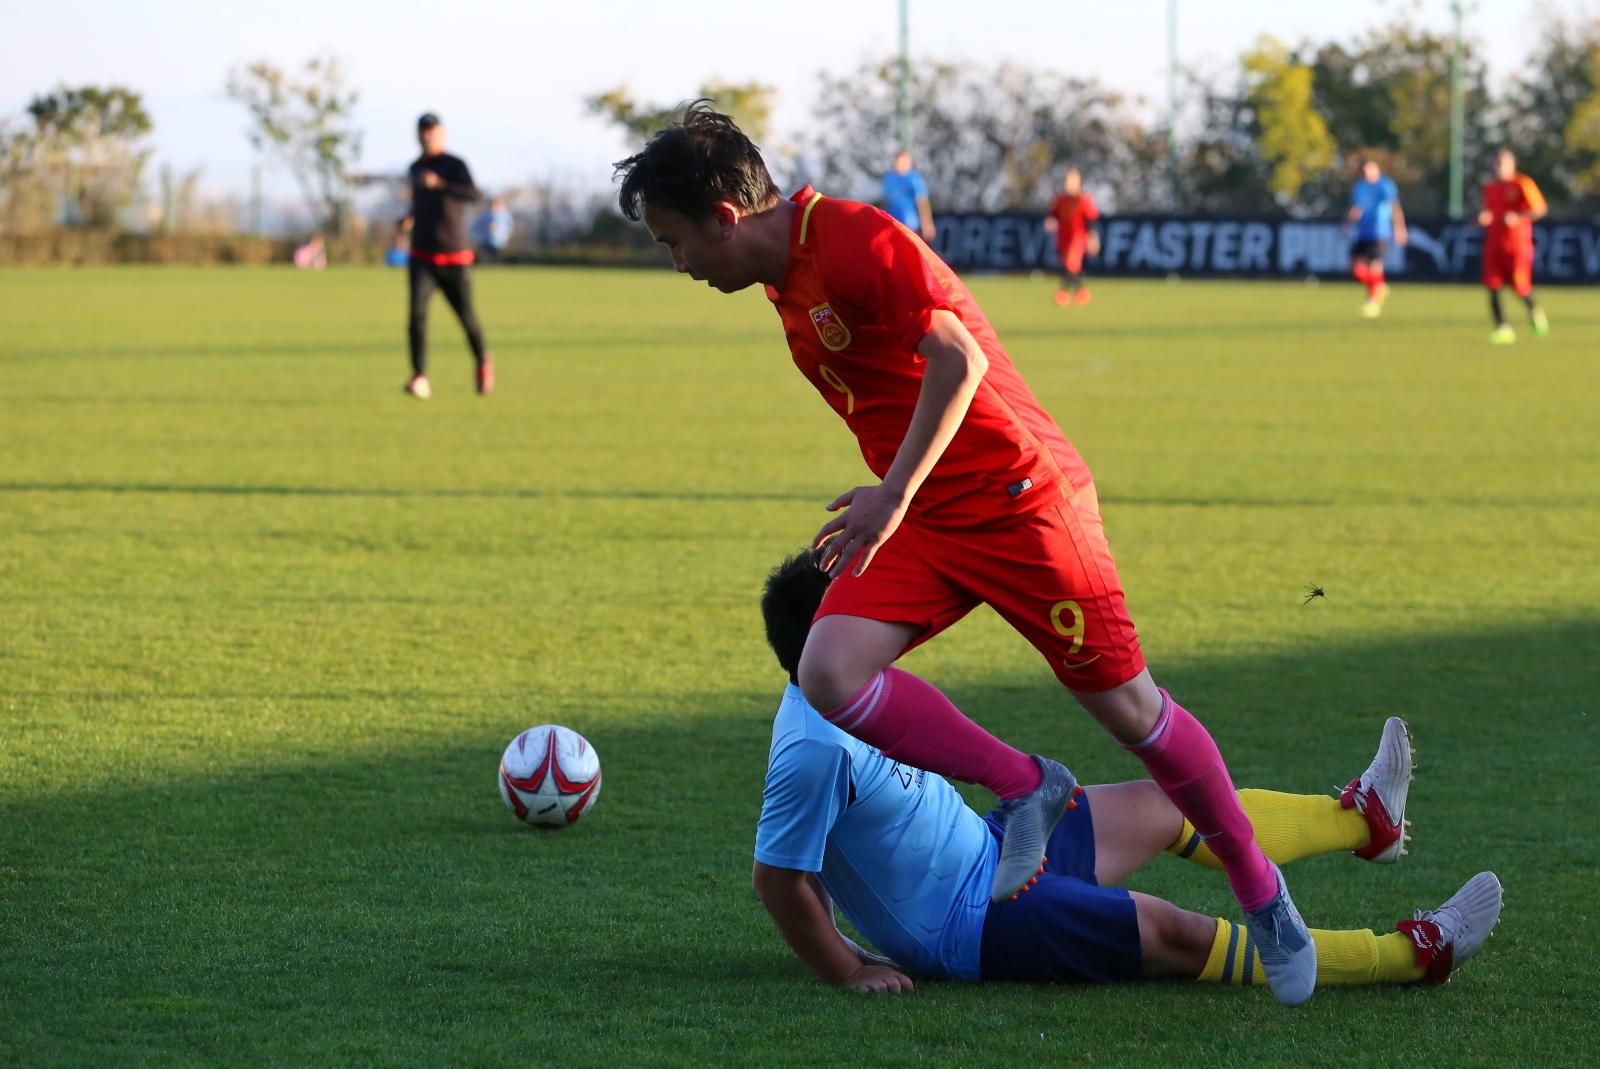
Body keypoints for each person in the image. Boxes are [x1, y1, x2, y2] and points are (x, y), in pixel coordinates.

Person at [616, 104, 1322, 1006]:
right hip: (934, 523)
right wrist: (903, 499)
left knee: (1132, 713)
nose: (678, 264)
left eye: (676, 242)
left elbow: (957, 361)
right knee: (828, 672)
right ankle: (1026, 784)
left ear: (724, 216)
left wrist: (892, 495)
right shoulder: (783, 284)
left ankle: (1261, 892)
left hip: (1024, 506)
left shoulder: (853, 237)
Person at [752, 550, 1504, 993]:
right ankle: (1407, 957)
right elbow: (779, 876)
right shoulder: (813, 749)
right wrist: (847, 966)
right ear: (829, 635)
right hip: (971, 923)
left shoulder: (854, 694)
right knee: (1169, 931)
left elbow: (813, 856)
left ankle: (1362, 820)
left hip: (992, 847)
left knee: (1165, 801)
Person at [404, 113, 493, 399]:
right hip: (422, 257)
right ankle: (419, 375)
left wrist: (441, 185)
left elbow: (473, 195)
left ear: (442, 134)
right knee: (416, 317)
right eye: (422, 132)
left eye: (431, 131)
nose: (426, 136)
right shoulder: (415, 168)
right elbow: (420, 205)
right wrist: (408, 219)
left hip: (454, 257)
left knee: (467, 317)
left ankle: (482, 362)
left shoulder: (455, 165)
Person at [1476, 148, 1549, 345]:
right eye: (1496, 162)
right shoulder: (1490, 187)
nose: (1498, 166)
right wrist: (1485, 217)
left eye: (1502, 162)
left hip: (1517, 246)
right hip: (1494, 244)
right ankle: (1503, 328)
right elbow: (1489, 211)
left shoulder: (1522, 184)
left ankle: (1535, 310)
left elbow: (1540, 208)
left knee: (1520, 287)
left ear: (1512, 164)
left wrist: (1518, 217)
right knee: (1493, 286)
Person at [1343, 159, 1407, 318]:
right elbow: (1356, 209)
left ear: (1377, 169)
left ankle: (1373, 303)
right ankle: (1379, 285)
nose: (1368, 172)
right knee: (1355, 269)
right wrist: (1345, 224)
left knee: (1374, 266)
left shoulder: (1385, 185)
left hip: (1380, 232)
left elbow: (1394, 207)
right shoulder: (1360, 186)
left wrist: (1399, 228)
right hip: (1362, 232)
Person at [1044, 168, 1101, 306]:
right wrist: (1050, 221)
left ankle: (1063, 292)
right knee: (1071, 265)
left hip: (1078, 236)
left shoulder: (1084, 200)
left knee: (1071, 262)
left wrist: (1093, 238)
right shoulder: (1061, 200)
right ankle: (1081, 291)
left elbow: (1092, 221)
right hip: (1063, 236)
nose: (1067, 183)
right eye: (1066, 180)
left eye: (1071, 180)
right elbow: (1053, 215)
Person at [880, 151, 935, 242]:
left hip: (909, 223)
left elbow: (922, 201)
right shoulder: (889, 178)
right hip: (892, 222)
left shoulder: (914, 179)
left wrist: (927, 224)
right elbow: (886, 201)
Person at [474, 195, 514, 264]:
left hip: (500, 241)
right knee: (486, 257)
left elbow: (509, 227)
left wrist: (500, 229)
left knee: (497, 258)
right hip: (486, 241)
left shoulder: (505, 215)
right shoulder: (486, 214)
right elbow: (479, 225)